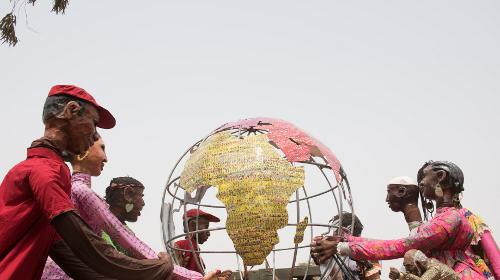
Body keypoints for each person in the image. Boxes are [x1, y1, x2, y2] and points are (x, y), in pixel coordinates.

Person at [0, 85, 172, 279]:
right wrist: (152, 269)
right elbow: (85, 243)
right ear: (71, 110)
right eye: (93, 122)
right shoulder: (43, 171)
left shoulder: (48, 171)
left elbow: (73, 260)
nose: (94, 134)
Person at [41, 136, 206, 279]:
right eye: (102, 148)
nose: (105, 158)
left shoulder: (73, 189)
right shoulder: (82, 191)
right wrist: (191, 276)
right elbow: (130, 244)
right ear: (83, 149)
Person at [310, 161, 500, 280]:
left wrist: (342, 246)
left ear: (441, 177)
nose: (422, 183)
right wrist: (345, 241)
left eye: (424, 177)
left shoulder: (452, 218)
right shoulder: (444, 218)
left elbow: (402, 245)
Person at [313, 213, 381, 280]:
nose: (333, 235)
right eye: (334, 231)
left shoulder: (368, 254)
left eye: (336, 232)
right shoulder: (330, 252)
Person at [174, 209, 221, 274]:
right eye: (206, 227)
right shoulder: (182, 246)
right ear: (192, 225)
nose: (208, 233)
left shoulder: (194, 249)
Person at [389, 249, 459, 280]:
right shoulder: (421, 269)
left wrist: (401, 276)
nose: (407, 269)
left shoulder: (434, 267)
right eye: (405, 266)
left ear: (419, 264)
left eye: (409, 266)